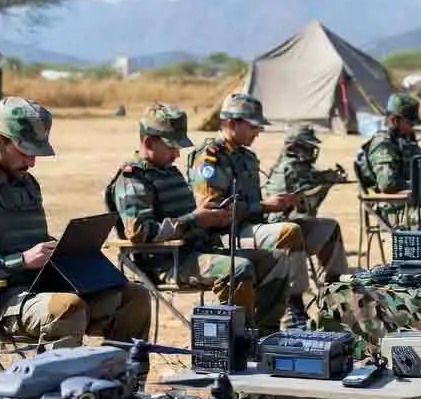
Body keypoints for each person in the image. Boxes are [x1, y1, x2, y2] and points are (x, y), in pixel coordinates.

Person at [0, 96, 152, 348]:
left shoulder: (27, 184)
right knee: (67, 308)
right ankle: (54, 386)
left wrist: (66, 251)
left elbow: (31, 242)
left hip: (42, 288)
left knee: (134, 297)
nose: (32, 162)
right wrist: (22, 260)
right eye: (26, 152)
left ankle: (121, 382)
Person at [108, 103, 291, 329]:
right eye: (172, 147)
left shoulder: (168, 172)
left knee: (276, 259)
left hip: (197, 250)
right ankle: (240, 338)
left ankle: (266, 332)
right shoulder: (134, 179)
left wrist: (215, 217)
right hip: (167, 262)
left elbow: (191, 215)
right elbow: (139, 231)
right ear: (148, 142)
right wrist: (196, 220)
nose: (177, 154)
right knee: (238, 268)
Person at [188, 93, 319, 330]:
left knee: (302, 232)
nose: (257, 132)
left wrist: (281, 204)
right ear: (231, 123)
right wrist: (266, 206)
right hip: (221, 235)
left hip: (248, 228)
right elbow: (215, 212)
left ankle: (267, 328)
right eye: (253, 126)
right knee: (289, 232)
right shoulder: (210, 157)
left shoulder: (247, 157)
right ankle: (294, 308)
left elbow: (253, 206)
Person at [356, 93, 421, 231]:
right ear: (395, 120)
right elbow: (388, 184)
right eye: (409, 123)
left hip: (412, 204)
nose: (412, 128)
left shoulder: (405, 140)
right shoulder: (383, 145)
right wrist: (417, 185)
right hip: (394, 210)